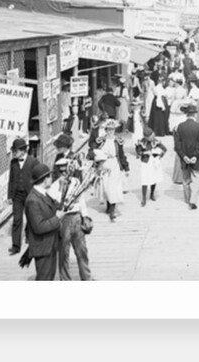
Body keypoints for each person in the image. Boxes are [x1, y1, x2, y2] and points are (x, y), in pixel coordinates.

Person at [49, 153, 92, 281]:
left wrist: (85, 216)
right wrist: (61, 189)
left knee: (82, 250)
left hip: (77, 217)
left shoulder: (76, 182)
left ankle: (86, 277)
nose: (64, 174)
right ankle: (65, 279)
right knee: (64, 252)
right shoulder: (54, 186)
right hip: (64, 219)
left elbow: (82, 200)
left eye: (66, 171)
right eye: (61, 172)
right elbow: (55, 203)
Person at [24, 162, 66, 281]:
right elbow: (39, 227)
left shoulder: (43, 194)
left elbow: (51, 207)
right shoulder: (33, 200)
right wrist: (57, 218)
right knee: (44, 278)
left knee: (50, 277)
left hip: (50, 245)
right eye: (50, 176)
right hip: (43, 248)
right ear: (44, 179)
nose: (52, 179)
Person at [90, 120, 129, 222]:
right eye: (109, 130)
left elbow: (121, 155)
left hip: (114, 165)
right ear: (106, 130)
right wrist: (95, 158)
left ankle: (112, 211)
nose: (110, 132)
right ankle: (108, 206)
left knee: (113, 188)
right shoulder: (101, 140)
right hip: (104, 165)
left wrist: (126, 167)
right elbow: (92, 150)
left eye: (112, 130)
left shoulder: (118, 141)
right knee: (106, 187)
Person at [7, 137, 38, 255]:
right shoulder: (13, 163)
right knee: (17, 220)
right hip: (17, 196)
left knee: (31, 218)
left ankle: (30, 237)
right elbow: (11, 180)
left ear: (23, 151)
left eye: (16, 151)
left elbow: (37, 179)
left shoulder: (33, 162)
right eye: (14, 151)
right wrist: (10, 195)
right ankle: (16, 246)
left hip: (29, 194)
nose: (14, 153)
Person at [174, 101, 199, 209]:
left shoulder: (180, 127)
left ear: (186, 114)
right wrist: (195, 156)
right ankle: (193, 200)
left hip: (184, 157)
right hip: (196, 158)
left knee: (186, 179)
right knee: (196, 179)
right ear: (194, 114)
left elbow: (177, 145)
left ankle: (187, 199)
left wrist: (184, 156)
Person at [135, 124, 167, 207]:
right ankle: (144, 198)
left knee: (154, 178)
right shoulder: (141, 142)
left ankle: (152, 193)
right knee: (144, 180)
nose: (153, 137)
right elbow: (138, 152)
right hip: (145, 162)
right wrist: (145, 152)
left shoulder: (156, 141)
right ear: (146, 137)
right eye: (150, 137)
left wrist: (158, 155)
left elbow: (164, 149)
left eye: (153, 135)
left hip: (154, 162)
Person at [148, 71, 170, 137]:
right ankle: (159, 131)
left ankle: (155, 130)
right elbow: (159, 98)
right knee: (159, 117)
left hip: (155, 102)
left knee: (155, 117)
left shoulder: (157, 87)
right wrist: (162, 106)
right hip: (159, 102)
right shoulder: (159, 88)